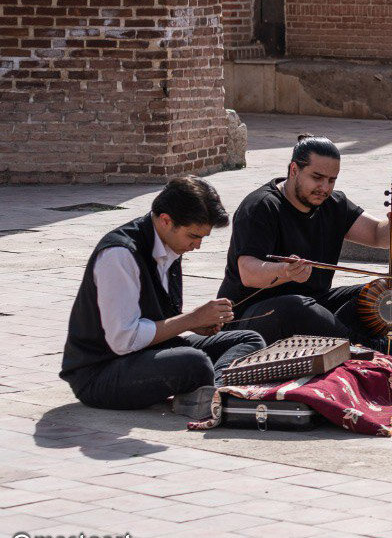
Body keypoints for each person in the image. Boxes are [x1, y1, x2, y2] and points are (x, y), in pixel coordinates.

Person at [61, 176, 264, 420]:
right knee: (194, 363)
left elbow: (159, 318)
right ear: (166, 220)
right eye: (193, 236)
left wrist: (199, 323)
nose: (197, 246)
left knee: (249, 340)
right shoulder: (120, 255)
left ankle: (214, 391)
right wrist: (190, 319)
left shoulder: (171, 244)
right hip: (101, 373)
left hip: (149, 353)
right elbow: (123, 340)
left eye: (202, 238)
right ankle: (213, 392)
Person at [218, 135, 392, 356]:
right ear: (294, 170)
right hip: (251, 317)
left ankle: (352, 340)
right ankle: (366, 348)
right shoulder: (261, 206)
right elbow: (248, 273)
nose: (324, 187)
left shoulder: (333, 204)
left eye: (331, 180)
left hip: (313, 305)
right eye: (317, 177)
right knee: (295, 308)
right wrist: (285, 271)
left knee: (383, 291)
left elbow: (377, 235)